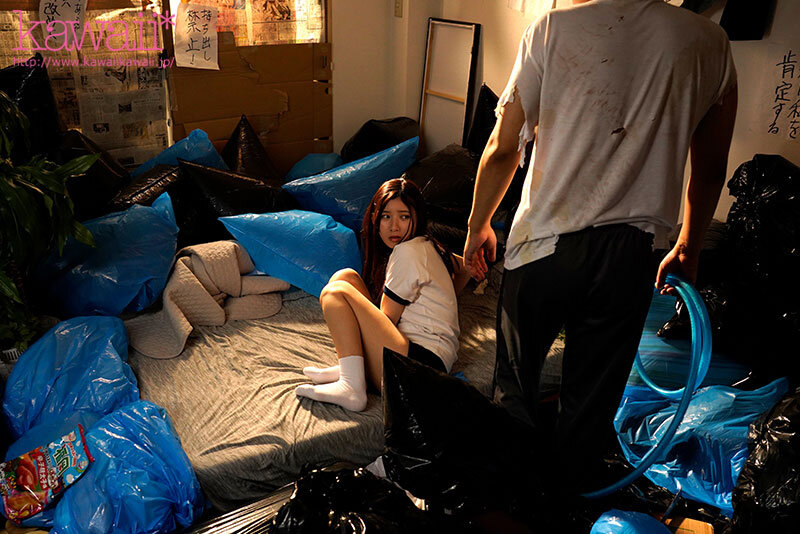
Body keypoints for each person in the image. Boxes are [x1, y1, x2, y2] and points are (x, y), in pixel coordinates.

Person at [464, 0, 738, 494]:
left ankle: (511, 501)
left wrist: (477, 225)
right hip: (631, 254)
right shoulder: (708, 42)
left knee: (515, 391)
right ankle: (569, 502)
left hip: (543, 247)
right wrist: (688, 246)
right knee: (589, 405)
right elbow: (711, 167)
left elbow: (504, 147)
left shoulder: (552, 28)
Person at [296, 178, 471, 411]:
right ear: (375, 218)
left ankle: (352, 387)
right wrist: (445, 300)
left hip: (419, 372)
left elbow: (386, 321)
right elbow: (466, 267)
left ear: (417, 217)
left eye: (404, 217)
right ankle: (353, 369)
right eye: (386, 216)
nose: (394, 226)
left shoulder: (408, 252)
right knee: (346, 277)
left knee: (335, 292)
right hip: (425, 361)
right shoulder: (429, 245)